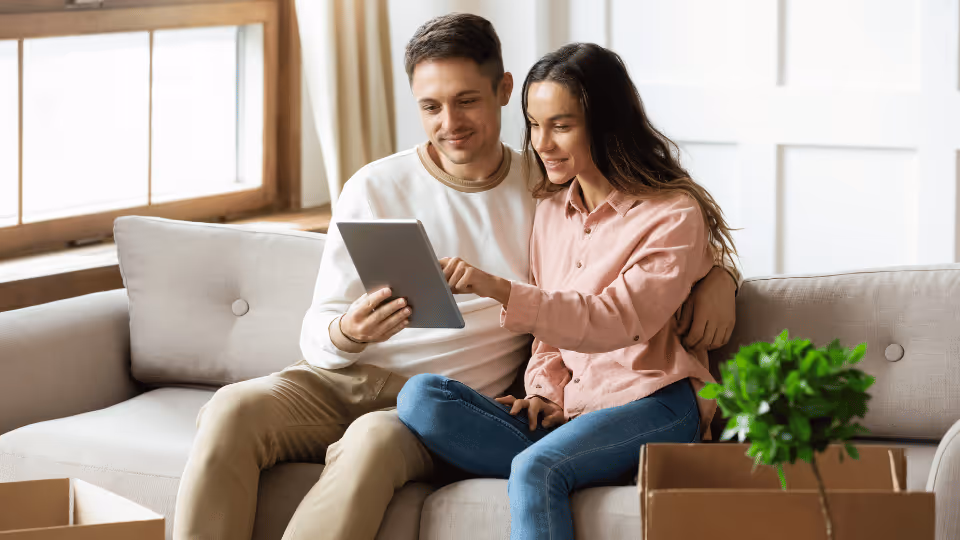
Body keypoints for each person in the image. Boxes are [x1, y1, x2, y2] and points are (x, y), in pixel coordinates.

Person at [172, 15, 741, 540]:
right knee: (230, 409)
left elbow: (646, 250)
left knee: (380, 438)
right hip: (344, 379)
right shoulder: (378, 187)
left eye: (467, 100)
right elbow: (319, 331)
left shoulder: (540, 186)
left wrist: (721, 274)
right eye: (431, 107)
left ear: (501, 91)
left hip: (437, 402)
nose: (450, 124)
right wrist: (348, 331)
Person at [397, 42, 742, 540]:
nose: (542, 143)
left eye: (561, 126)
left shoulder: (671, 213)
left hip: (654, 403)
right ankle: (586, 460)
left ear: (604, 123)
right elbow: (550, 339)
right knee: (421, 397)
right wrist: (543, 391)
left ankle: (565, 464)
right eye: (535, 125)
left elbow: (616, 318)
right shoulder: (552, 213)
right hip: (574, 414)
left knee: (536, 470)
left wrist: (498, 289)